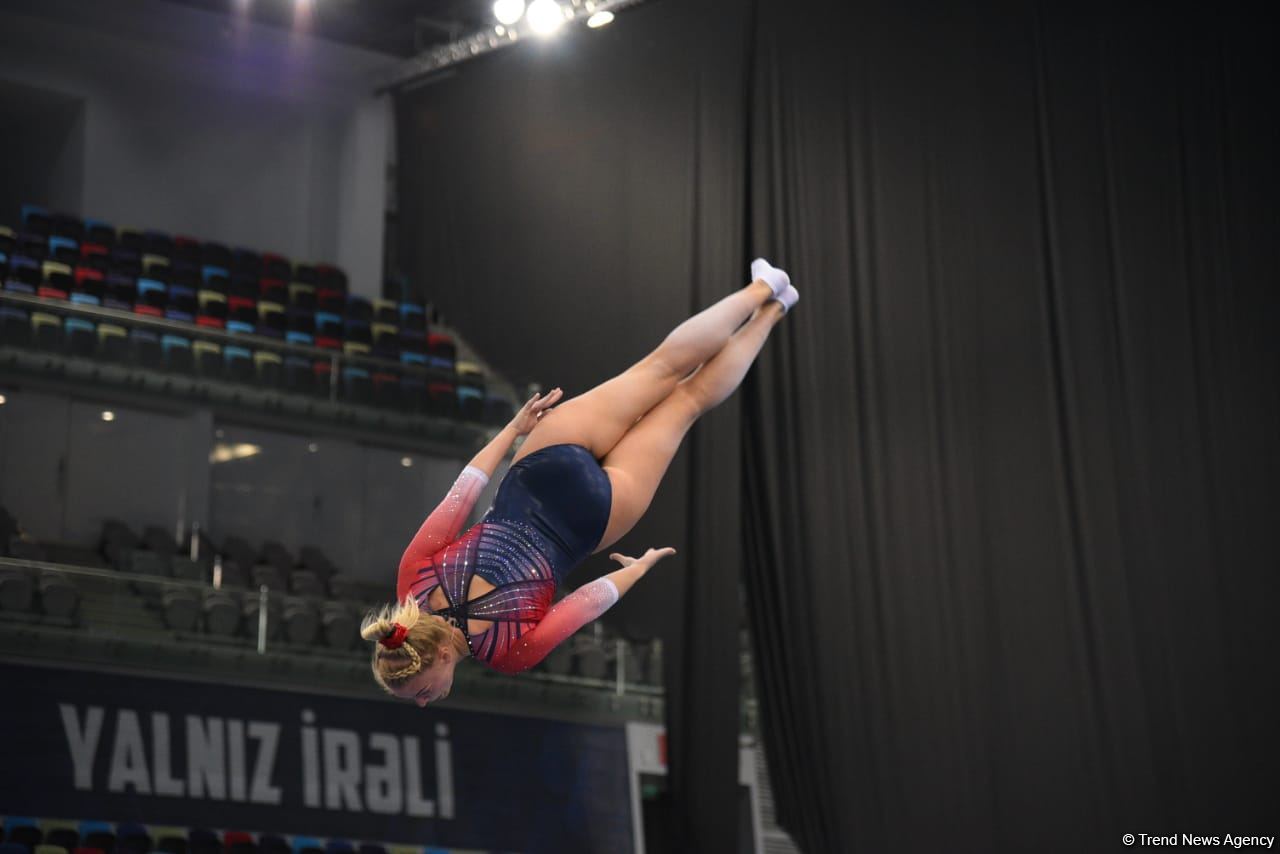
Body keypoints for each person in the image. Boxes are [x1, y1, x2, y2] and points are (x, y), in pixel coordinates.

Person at [360, 259, 799, 705]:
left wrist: (637, 570)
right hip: (539, 473)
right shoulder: (412, 585)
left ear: (436, 658)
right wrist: (514, 431)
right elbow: (465, 489)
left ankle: (775, 310)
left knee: (689, 401)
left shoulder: (507, 654)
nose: (422, 701)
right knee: (660, 369)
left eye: (420, 691)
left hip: (590, 523)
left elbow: (586, 603)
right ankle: (763, 288)